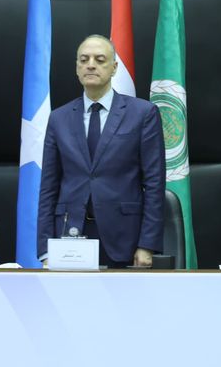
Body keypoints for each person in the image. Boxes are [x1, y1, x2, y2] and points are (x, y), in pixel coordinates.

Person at [37, 34, 165, 267]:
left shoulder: (143, 114)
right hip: (70, 237)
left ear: (114, 67)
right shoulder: (58, 118)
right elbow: (48, 186)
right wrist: (45, 249)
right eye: (84, 59)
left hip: (124, 237)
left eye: (99, 59)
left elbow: (155, 184)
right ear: (77, 68)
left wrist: (147, 244)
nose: (91, 65)